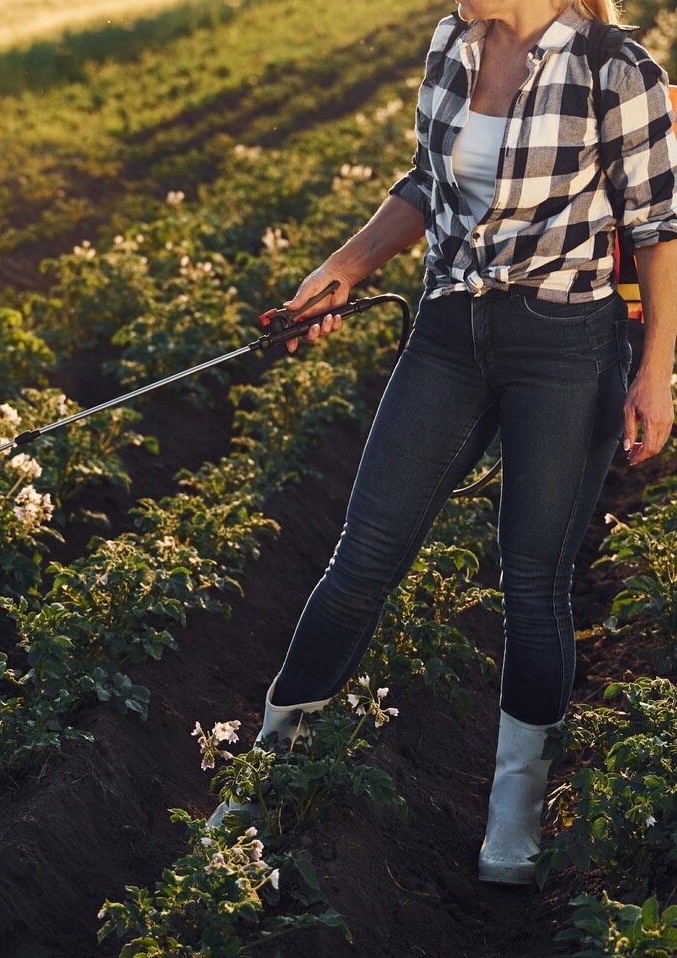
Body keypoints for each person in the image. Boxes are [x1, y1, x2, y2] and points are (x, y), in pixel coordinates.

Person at [208, 0, 677, 886]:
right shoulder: (453, 43)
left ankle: (514, 821)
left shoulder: (618, 68)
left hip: (568, 342)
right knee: (362, 559)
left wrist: (656, 373)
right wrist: (341, 270)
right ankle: (265, 782)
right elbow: (428, 181)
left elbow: (656, 228)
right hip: (449, 332)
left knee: (534, 584)